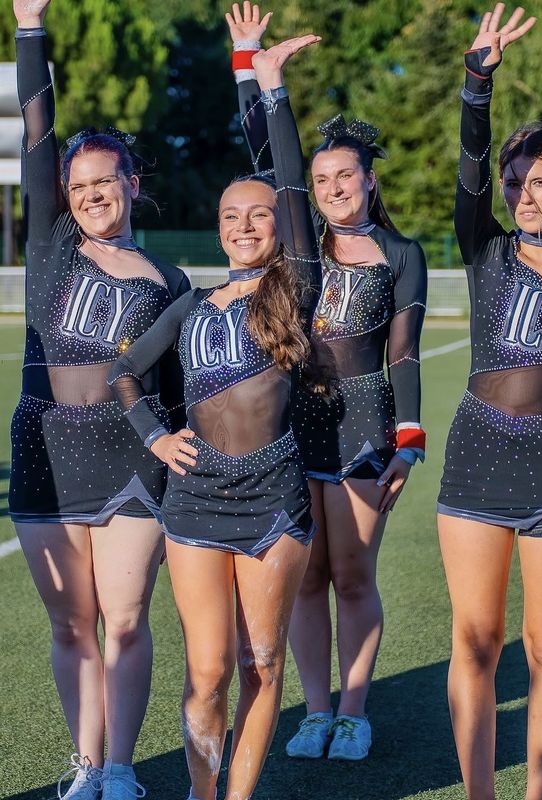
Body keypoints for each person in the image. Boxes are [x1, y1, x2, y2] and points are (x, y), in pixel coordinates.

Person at [109, 34, 323, 800]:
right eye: (232, 215)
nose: (244, 225)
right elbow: (125, 375)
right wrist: (156, 436)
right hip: (195, 497)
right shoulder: (191, 305)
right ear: (218, 225)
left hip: (273, 496)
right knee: (207, 672)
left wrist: (270, 88)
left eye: (258, 215)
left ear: (279, 225)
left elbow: (291, 185)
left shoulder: (294, 287)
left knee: (262, 662)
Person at [226, 1, 427, 760]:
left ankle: (354, 711)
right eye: (321, 178)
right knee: (306, 576)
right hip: (295, 418)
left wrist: (408, 438)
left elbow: (403, 353)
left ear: (370, 180)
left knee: (352, 574)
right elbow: (265, 157)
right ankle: (314, 711)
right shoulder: (300, 238)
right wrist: (252, 68)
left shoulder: (401, 254)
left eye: (346, 174)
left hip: (364, 426)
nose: (334, 186)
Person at [10, 1, 191, 798]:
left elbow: (177, 394)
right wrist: (30, 27)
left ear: (131, 183)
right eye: (77, 185)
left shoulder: (170, 282)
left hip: (128, 459)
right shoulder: (51, 242)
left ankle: (121, 767)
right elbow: (37, 131)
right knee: (71, 622)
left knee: (123, 618)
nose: (89, 195)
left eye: (103, 181)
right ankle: (85, 764)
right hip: (45, 447)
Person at [438, 5, 542, 800]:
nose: (521, 193)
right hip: (477, 455)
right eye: (512, 181)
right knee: (476, 641)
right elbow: (470, 168)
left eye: (537, 179)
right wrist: (479, 80)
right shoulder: (487, 248)